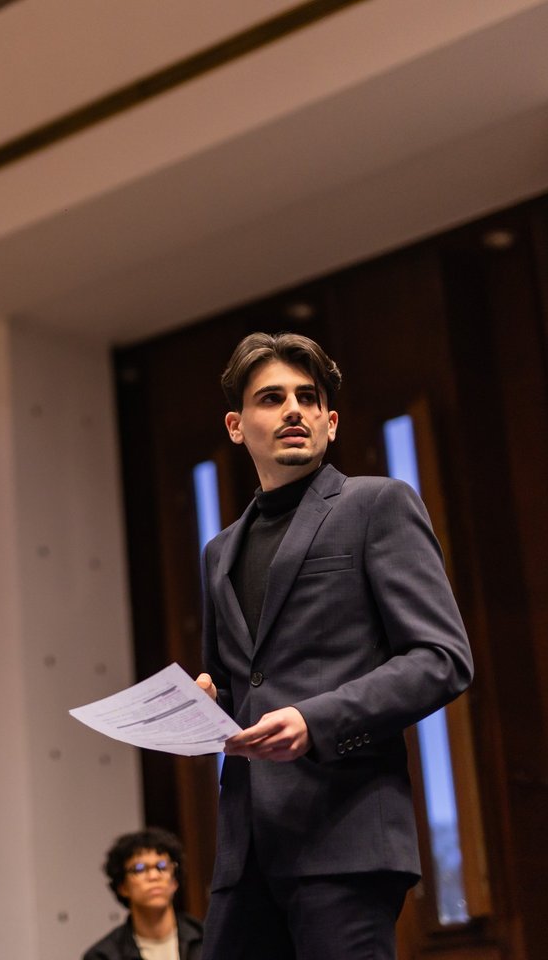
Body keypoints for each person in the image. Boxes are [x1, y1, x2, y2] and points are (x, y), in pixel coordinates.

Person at [193, 332, 473, 958]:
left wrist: (314, 721)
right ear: (238, 426)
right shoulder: (219, 552)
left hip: (344, 834)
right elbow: (239, 684)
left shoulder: (377, 505)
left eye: (308, 397)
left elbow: (441, 659)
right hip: (245, 852)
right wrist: (204, 700)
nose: (293, 410)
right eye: (272, 398)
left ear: (331, 421)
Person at [84, 828, 203, 960]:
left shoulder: (208, 938)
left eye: (162, 867)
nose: (153, 876)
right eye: (139, 869)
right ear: (123, 887)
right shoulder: (103, 956)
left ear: (174, 882)